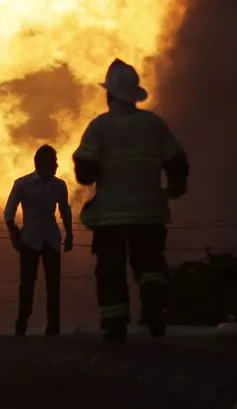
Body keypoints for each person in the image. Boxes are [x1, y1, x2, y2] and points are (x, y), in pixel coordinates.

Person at [72, 59, 188, 344]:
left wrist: (93, 167)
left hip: (111, 216)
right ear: (134, 94)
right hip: (150, 212)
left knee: (111, 268)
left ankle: (115, 323)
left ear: (109, 94)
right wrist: (175, 187)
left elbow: (85, 173)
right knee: (149, 261)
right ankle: (153, 300)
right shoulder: (154, 125)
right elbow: (177, 162)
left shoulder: (100, 127)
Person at [4, 144, 73, 337]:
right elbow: (8, 212)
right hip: (29, 240)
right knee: (27, 284)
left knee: (53, 285)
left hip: (51, 239)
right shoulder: (22, 184)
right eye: (54, 162)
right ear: (43, 164)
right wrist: (13, 233)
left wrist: (69, 234)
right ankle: (22, 323)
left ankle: (53, 327)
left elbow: (65, 210)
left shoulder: (59, 185)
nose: (57, 166)